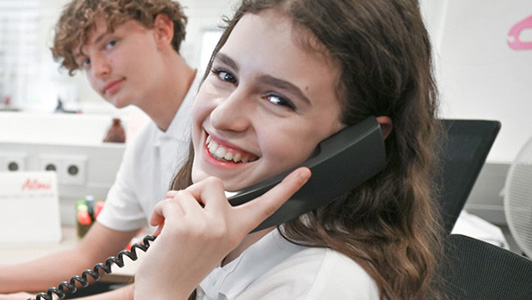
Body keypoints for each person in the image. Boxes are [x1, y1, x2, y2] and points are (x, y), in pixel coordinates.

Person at [132, 0, 442, 299]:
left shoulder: (321, 287)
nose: (221, 116)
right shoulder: (231, 237)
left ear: (359, 141)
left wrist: (160, 291)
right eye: (225, 75)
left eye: (278, 99)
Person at [0, 0, 197, 299]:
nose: (98, 70)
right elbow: (87, 258)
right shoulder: (145, 145)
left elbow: (183, 286)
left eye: (110, 43)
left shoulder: (222, 125)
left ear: (161, 31)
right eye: (84, 61)